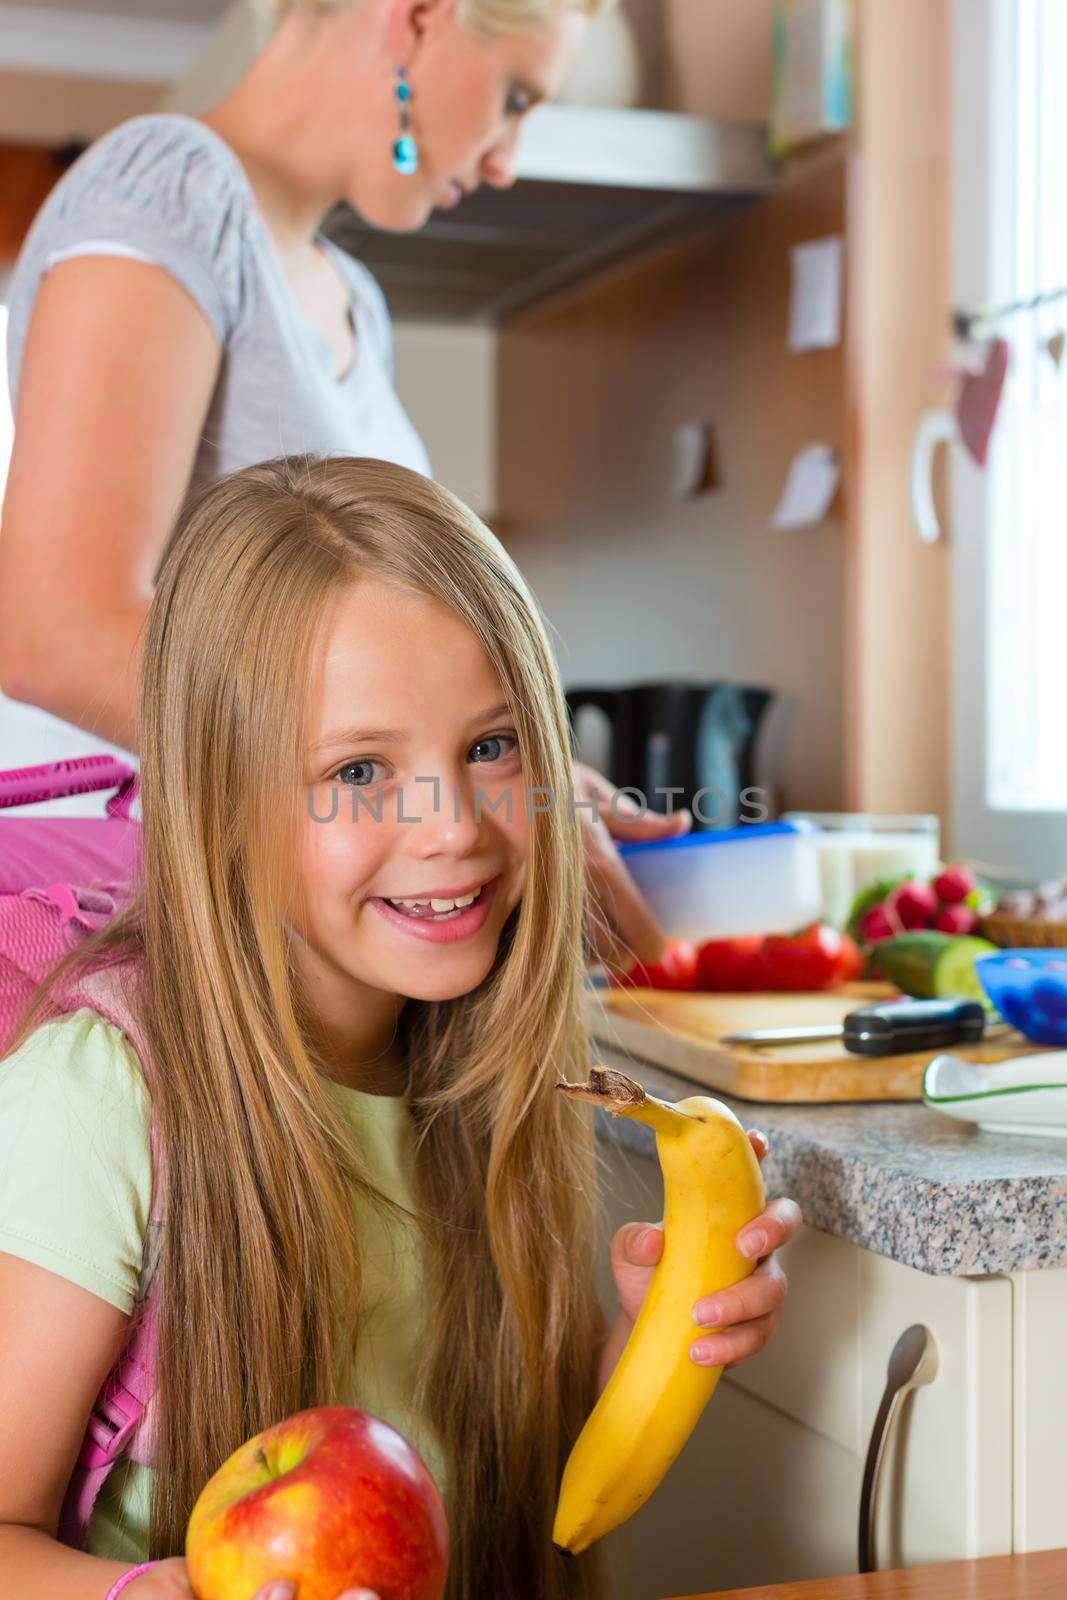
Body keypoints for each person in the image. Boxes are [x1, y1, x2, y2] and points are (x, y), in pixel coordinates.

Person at [0, 458, 802, 1600]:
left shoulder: (475, 1067)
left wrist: (655, 1339)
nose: (452, 831)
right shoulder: (100, 1098)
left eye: (489, 747)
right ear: (218, 803)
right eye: (361, 770)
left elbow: (483, 1477)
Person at [0, 0, 684, 970]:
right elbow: (53, 636)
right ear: (418, 17)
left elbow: (364, 665)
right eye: (515, 96)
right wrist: (422, 792)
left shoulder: (347, 293)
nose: (504, 159)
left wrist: (527, 780)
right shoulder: (170, 189)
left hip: (262, 918)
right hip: (121, 918)